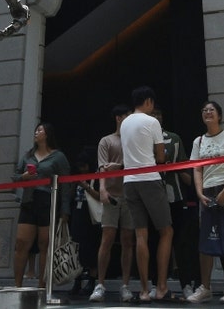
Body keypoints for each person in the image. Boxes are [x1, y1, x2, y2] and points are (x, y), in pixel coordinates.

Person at [187, 100, 224, 304]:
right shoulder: (198, 141)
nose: (207, 112)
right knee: (206, 239)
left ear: (219, 115)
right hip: (207, 191)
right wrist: (200, 193)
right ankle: (205, 287)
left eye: (211, 110)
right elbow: (196, 168)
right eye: (204, 110)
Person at [120, 86, 173, 302]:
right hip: (149, 179)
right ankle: (160, 286)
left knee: (140, 234)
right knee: (166, 231)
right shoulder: (152, 122)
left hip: (129, 181)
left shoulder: (124, 122)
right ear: (149, 101)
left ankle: (143, 291)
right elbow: (160, 157)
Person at [12, 121, 71, 287]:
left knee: (45, 243)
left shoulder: (58, 156)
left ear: (47, 134)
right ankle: (17, 285)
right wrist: (23, 177)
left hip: (47, 201)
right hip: (29, 200)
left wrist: (65, 210)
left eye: (39, 130)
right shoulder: (27, 156)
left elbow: (66, 184)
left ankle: (42, 286)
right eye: (36, 130)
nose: (36, 133)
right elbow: (14, 177)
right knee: (21, 242)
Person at [89, 104, 136, 303]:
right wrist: (102, 189)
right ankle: (100, 284)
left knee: (127, 240)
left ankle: (125, 285)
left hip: (130, 195)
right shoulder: (106, 141)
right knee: (107, 239)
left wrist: (118, 166)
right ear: (118, 118)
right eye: (126, 116)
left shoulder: (133, 140)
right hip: (112, 195)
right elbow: (102, 168)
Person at [154, 106, 200, 299]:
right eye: (151, 116)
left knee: (181, 241)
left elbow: (184, 166)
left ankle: (186, 283)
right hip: (153, 195)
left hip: (176, 195)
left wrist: (192, 182)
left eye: (158, 115)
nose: (155, 118)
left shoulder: (174, 138)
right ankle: (155, 284)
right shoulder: (142, 139)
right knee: (154, 240)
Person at [69, 147, 101, 296]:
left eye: (84, 166)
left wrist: (86, 186)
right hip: (78, 214)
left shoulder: (96, 177)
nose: (82, 169)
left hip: (91, 216)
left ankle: (93, 280)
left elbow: (100, 196)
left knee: (92, 247)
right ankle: (77, 280)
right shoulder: (76, 178)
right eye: (79, 166)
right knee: (77, 248)